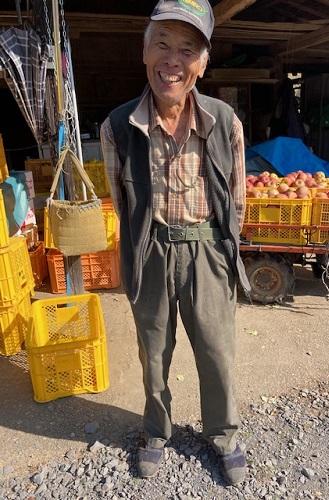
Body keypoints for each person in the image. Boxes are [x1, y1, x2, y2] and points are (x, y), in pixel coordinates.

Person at [101, 0, 250, 486]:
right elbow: (121, 200)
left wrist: (220, 253)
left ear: (202, 62)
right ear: (144, 51)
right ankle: (155, 431)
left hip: (207, 250)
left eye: (187, 48)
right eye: (162, 43)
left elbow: (238, 199)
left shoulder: (224, 120)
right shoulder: (118, 126)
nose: (173, 59)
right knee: (152, 350)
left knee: (217, 351)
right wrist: (143, 246)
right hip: (151, 248)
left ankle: (224, 435)